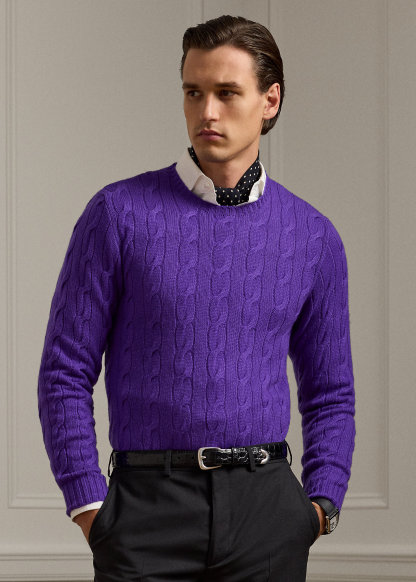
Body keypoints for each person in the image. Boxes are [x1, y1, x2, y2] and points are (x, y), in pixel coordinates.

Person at [37, 14, 355, 582]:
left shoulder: (313, 236)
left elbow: (331, 391)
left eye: (227, 93)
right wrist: (89, 505)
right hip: (144, 510)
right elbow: (64, 370)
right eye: (193, 92)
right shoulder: (117, 215)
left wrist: (319, 506)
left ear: (270, 100)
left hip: (268, 512)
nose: (207, 111)